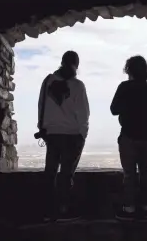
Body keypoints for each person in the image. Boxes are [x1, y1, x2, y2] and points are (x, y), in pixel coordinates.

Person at [37, 50, 90, 221]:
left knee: (50, 173)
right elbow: (83, 113)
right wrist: (83, 134)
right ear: (76, 65)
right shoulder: (77, 85)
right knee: (66, 174)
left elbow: (41, 106)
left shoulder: (48, 81)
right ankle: (63, 210)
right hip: (72, 135)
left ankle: (46, 211)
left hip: (51, 134)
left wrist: (43, 127)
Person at [110, 55, 147, 220]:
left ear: (129, 70)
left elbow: (113, 109)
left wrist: (129, 106)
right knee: (145, 172)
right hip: (146, 136)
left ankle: (129, 209)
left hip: (128, 136)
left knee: (129, 174)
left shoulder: (124, 87)